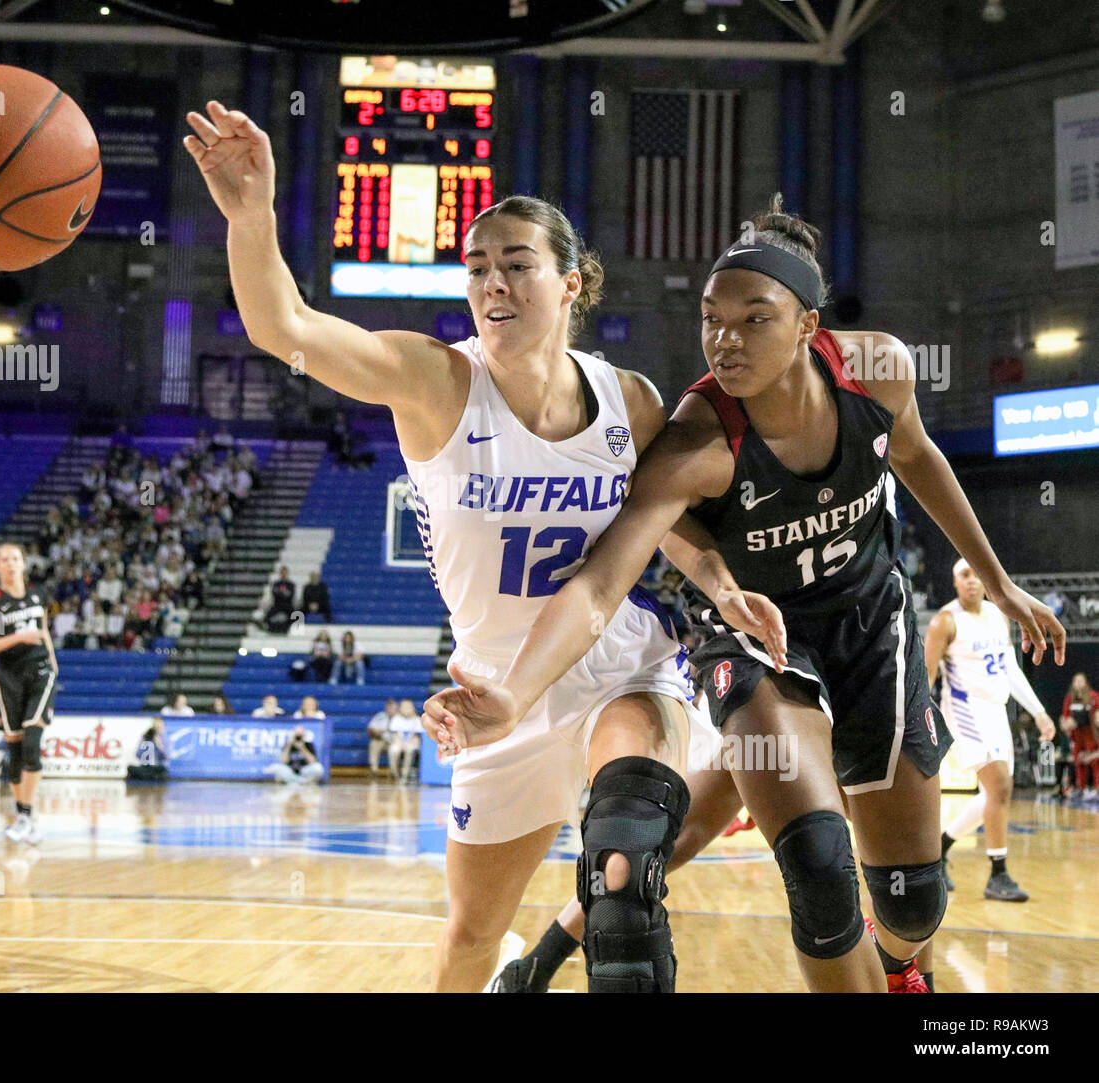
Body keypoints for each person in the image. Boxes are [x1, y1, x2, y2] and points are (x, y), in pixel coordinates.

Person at [184, 104, 780, 993]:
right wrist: (250, 217)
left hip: (620, 668)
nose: (492, 283)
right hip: (495, 691)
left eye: (516, 264)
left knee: (623, 868)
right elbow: (288, 330)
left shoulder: (633, 400)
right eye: (477, 269)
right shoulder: (435, 380)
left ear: (573, 282)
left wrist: (723, 583)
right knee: (470, 936)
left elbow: (667, 528)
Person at [426, 195, 1066, 995]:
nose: (725, 340)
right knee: (821, 873)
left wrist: (1001, 582)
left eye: (753, 320)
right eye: (710, 319)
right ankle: (554, 954)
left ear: (808, 326)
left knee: (910, 899)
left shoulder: (879, 369)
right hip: (758, 642)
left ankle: (905, 965)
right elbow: (599, 582)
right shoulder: (696, 437)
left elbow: (920, 455)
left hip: (869, 620)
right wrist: (516, 694)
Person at [928, 559, 1055, 901]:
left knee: (993, 796)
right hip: (965, 711)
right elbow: (926, 677)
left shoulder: (998, 616)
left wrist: (1039, 712)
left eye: (976, 575)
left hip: (996, 711)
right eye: (964, 575)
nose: (971, 581)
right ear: (955, 582)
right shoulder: (945, 621)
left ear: (985, 581)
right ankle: (998, 875)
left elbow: (1011, 669)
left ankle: (939, 849)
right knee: (999, 786)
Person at [0, 543, 58, 846]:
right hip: (8, 678)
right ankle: (24, 815)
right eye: (4, 560)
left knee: (33, 741)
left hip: (40, 672)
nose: (11, 564)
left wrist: (52, 661)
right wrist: (18, 637)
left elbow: (43, 629)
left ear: (24, 564)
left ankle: (26, 815)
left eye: (15, 559)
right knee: (15, 747)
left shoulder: (38, 596)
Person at [1062, 673, 1099, 798]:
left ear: (1086, 683)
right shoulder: (1070, 698)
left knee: (1094, 761)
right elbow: (1065, 718)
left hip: (1091, 733)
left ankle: (1097, 789)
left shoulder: (1094, 696)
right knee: (1079, 760)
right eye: (1075, 681)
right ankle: (1081, 788)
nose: (1078, 684)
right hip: (1077, 735)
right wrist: (1067, 726)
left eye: (1080, 681)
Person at [388, 697, 425, 785]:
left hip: (412, 743)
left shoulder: (417, 720)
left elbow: (417, 736)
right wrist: (400, 745)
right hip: (398, 742)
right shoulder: (396, 719)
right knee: (394, 750)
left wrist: (408, 744)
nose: (406, 709)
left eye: (409, 707)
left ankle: (405, 775)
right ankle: (396, 774)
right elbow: (395, 735)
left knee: (410, 750)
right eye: (404, 707)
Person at [367, 698, 398, 777]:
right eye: (389, 707)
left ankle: (393, 772)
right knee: (374, 744)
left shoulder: (399, 718)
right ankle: (374, 770)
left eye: (392, 708)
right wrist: (376, 731)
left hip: (395, 741)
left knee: (394, 748)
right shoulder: (380, 716)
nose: (390, 710)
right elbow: (370, 728)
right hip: (381, 739)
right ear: (386, 708)